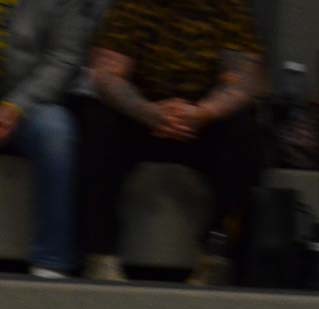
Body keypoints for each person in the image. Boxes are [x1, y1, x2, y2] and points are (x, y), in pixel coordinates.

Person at [81, 0, 264, 285]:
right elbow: (107, 74)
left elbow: (243, 82)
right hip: (143, 114)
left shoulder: (230, 7)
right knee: (97, 120)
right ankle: (101, 254)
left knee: (247, 132)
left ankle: (217, 255)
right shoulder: (132, 5)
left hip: (203, 118)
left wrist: (202, 113)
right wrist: (148, 112)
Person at [0, 0, 86, 278]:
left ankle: (50, 262)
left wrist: (14, 107)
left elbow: (63, 58)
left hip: (28, 104)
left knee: (56, 130)